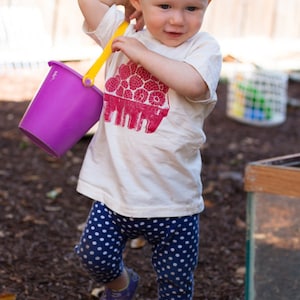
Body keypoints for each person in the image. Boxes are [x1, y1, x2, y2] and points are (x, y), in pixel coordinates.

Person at [75, 0, 222, 299]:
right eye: (164, 5)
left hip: (173, 200)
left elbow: (193, 84)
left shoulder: (203, 48)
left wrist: (142, 54)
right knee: (94, 256)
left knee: (175, 284)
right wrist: (123, 1)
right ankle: (122, 284)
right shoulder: (123, 32)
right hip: (114, 192)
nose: (178, 20)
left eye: (192, 8)